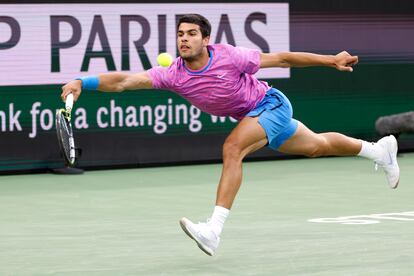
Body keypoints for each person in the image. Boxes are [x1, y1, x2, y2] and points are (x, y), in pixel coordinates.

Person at [61, 14, 400, 256]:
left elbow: (281, 59)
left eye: (192, 33)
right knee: (317, 146)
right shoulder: (173, 74)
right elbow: (124, 81)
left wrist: (330, 61)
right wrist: (82, 82)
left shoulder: (228, 56)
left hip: (270, 105)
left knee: (232, 148)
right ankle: (379, 151)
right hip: (253, 116)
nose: (184, 39)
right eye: (181, 33)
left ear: (205, 39)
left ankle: (214, 230)